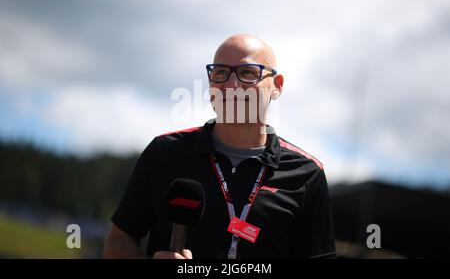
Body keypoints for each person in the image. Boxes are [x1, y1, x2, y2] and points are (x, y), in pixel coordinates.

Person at [103, 34, 336, 259]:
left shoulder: (307, 174)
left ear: (277, 86)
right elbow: (119, 240)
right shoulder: (164, 153)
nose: (232, 84)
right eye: (221, 73)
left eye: (247, 72)